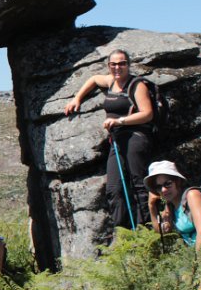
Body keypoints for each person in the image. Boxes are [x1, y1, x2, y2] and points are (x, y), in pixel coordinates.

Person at [64, 47, 155, 230]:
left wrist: (120, 120)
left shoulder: (137, 85)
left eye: (122, 63)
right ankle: (123, 233)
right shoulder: (111, 81)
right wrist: (77, 98)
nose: (117, 67)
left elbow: (147, 114)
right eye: (113, 64)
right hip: (117, 139)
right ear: (108, 65)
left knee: (138, 184)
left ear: (128, 65)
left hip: (135, 138)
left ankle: (145, 230)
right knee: (114, 188)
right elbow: (93, 79)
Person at [145, 161, 201, 282]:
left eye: (167, 184)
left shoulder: (192, 195)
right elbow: (162, 230)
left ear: (177, 181)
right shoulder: (171, 206)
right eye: (158, 187)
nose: (163, 189)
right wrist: (151, 206)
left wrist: (196, 269)